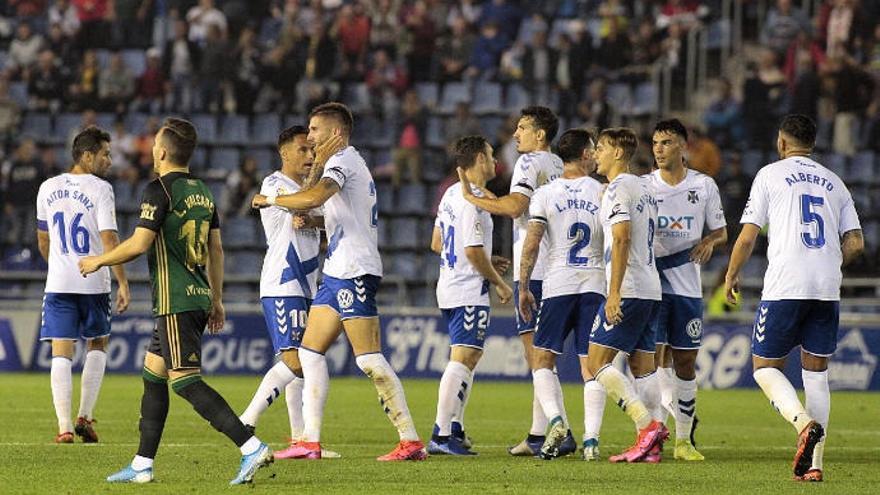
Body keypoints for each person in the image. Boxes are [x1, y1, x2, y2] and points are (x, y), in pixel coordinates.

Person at [79, 118, 273, 485]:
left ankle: (250, 447)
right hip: (198, 295)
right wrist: (216, 298)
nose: (152, 150)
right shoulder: (203, 190)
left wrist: (98, 260)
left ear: (163, 151)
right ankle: (141, 464)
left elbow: (139, 243)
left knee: (184, 381)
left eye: (154, 144)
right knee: (153, 374)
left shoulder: (159, 191)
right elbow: (216, 248)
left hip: (176, 299)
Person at [251, 103, 427, 461]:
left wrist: (271, 199)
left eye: (315, 130)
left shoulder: (343, 161)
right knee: (309, 353)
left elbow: (316, 196)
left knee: (369, 360)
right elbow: (338, 216)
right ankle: (308, 441)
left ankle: (410, 440)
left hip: (354, 269)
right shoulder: (343, 162)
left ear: (336, 133)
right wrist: (314, 223)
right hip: (335, 271)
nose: (310, 136)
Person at [724, 114, 864, 482]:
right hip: (825, 286)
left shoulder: (770, 175)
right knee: (816, 374)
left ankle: (803, 424)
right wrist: (833, 264)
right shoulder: (836, 183)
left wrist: (731, 273)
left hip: (786, 285)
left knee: (765, 368)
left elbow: (748, 235)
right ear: (812, 144)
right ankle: (815, 465)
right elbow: (856, 242)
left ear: (782, 142)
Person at [457, 106, 567, 456]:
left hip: (533, 271)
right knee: (542, 356)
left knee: (536, 356)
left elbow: (516, 207)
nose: (515, 134)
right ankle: (539, 434)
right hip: (558, 268)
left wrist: (473, 198)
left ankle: (557, 428)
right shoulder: (559, 166)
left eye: (522, 128)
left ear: (540, 135)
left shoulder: (529, 163)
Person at [238, 125, 339, 459]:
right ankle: (246, 421)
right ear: (283, 152)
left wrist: (312, 221)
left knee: (302, 361)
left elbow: (326, 218)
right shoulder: (274, 184)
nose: (310, 156)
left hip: (307, 286)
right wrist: (307, 209)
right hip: (283, 283)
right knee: (295, 361)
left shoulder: (310, 190)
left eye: (312, 150)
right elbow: (299, 205)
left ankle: (300, 439)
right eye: (303, 150)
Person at [36, 126, 130, 444]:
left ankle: (63, 428)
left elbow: (43, 239)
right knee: (97, 344)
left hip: (59, 282)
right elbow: (109, 239)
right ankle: (84, 417)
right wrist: (122, 282)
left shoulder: (47, 187)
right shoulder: (100, 189)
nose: (109, 160)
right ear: (87, 156)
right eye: (105, 154)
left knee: (61, 352)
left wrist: (59, 266)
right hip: (94, 282)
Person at [517, 129, 607, 460]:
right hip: (596, 283)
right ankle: (591, 441)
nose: (597, 155)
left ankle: (556, 420)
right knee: (592, 366)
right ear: (584, 154)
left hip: (558, 284)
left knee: (542, 359)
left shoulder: (545, 193)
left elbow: (532, 243)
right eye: (594, 150)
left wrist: (524, 287)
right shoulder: (602, 192)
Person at [587, 127, 669, 463]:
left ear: (618, 153)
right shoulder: (644, 187)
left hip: (631, 287)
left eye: (602, 148)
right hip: (650, 287)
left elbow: (621, 238)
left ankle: (647, 425)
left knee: (595, 363)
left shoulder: (618, 188)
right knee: (642, 366)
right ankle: (652, 445)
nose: (595, 153)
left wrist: (614, 292)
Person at [647, 119, 727, 461]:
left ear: (683, 146)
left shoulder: (704, 186)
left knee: (684, 360)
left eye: (666, 142)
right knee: (652, 360)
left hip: (687, 287)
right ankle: (654, 436)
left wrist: (710, 240)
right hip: (650, 286)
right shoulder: (643, 185)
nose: (659, 149)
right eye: (655, 143)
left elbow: (722, 232)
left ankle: (683, 440)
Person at [429, 135, 512, 456]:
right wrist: (499, 282)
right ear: (479, 159)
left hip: (448, 286)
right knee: (463, 358)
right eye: (491, 156)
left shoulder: (451, 192)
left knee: (469, 359)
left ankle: (455, 427)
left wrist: (488, 260)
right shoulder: (475, 199)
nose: (495, 162)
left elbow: (437, 243)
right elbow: (473, 250)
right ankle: (441, 432)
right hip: (468, 289)